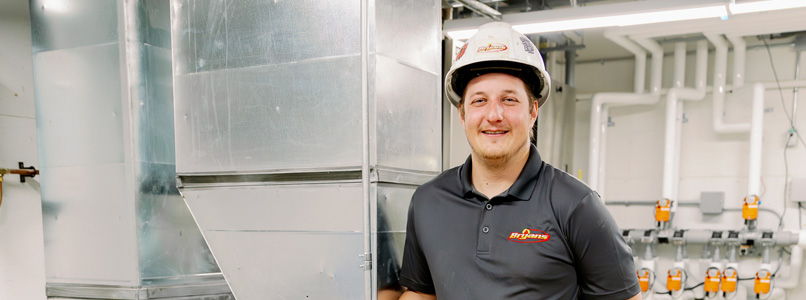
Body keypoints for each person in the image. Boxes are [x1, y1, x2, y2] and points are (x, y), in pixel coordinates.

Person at [398, 22, 641, 300]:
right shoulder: (428, 200)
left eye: (509, 100)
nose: (494, 115)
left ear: (533, 111)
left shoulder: (577, 205)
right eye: (479, 101)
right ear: (462, 114)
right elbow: (421, 293)